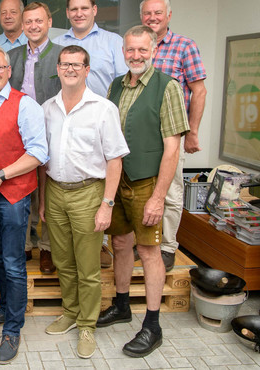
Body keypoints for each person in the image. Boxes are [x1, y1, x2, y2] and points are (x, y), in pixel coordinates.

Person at [97, 26, 189, 358]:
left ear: (153, 51)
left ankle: (152, 325)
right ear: (123, 51)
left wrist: (158, 197)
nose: (136, 56)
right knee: (120, 243)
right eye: (130, 50)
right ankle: (122, 305)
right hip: (119, 181)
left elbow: (172, 150)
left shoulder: (168, 87)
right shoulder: (116, 85)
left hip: (147, 182)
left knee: (149, 251)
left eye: (142, 51)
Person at [40, 46, 128, 359]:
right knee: (63, 260)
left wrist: (107, 204)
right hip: (55, 191)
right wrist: (42, 201)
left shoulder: (103, 109)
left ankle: (87, 324)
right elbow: (42, 159)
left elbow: (115, 160)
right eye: (65, 64)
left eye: (77, 64)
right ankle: (70, 311)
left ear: (87, 69)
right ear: (59, 69)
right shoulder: (48, 108)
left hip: (89, 192)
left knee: (88, 266)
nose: (70, 69)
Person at [0, 45, 48, 364]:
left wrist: (1, 175)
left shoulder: (25, 105)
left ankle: (13, 330)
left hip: (13, 195)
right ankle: (3, 311)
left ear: (8, 70)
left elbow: (38, 152)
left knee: (14, 262)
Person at [53, 0, 129, 269]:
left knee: (102, 184)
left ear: (94, 10)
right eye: (73, 9)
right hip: (68, 120)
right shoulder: (58, 43)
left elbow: (124, 83)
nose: (79, 13)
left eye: (84, 8)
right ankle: (75, 249)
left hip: (101, 122)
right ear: (67, 13)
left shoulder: (113, 42)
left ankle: (101, 246)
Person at [140, 0, 208, 272]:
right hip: (141, 135)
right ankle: (142, 243)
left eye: (157, 13)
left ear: (168, 15)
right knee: (141, 190)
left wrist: (192, 133)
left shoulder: (184, 46)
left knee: (170, 191)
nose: (152, 18)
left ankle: (167, 247)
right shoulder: (138, 46)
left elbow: (199, 90)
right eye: (147, 14)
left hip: (172, 134)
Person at [8, 1, 63, 274]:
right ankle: (26, 243)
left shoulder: (62, 55)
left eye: (38, 21)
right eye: (28, 22)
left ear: (49, 22)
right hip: (19, 134)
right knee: (25, 187)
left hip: (54, 132)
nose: (33, 26)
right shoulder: (13, 55)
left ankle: (48, 247)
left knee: (50, 190)